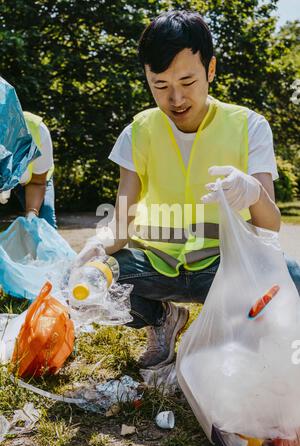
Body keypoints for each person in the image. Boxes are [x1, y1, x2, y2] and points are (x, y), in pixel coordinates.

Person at [87, 10, 300, 368]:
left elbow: (270, 225)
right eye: (160, 86)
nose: (176, 99)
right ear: (147, 77)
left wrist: (251, 192)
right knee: (99, 277)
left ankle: (235, 332)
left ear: (210, 70)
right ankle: (162, 320)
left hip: (222, 267)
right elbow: (121, 224)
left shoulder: (249, 126)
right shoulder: (138, 132)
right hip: (156, 264)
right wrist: (94, 250)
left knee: (291, 276)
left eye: (187, 81)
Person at [3, 111, 57, 228]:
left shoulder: (38, 131)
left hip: (34, 179)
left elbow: (37, 182)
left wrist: (32, 213)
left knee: (45, 223)